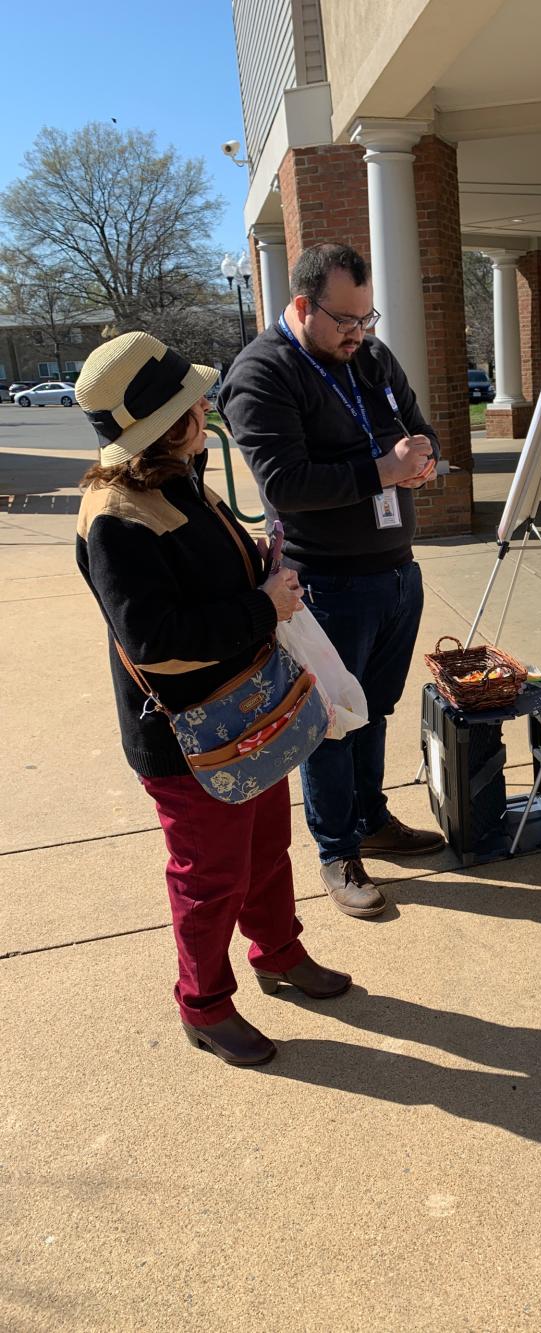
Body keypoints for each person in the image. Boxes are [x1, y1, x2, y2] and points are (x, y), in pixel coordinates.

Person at [75, 331, 353, 1067]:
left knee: (265, 849)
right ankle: (203, 1005)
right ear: (168, 422)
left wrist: (255, 571)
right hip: (188, 737)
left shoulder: (173, 475)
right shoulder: (117, 514)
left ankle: (279, 953)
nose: (208, 407)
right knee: (209, 878)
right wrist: (263, 605)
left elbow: (195, 584)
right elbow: (154, 640)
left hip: (244, 711)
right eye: (194, 401)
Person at [219, 243, 445, 920]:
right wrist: (383, 471)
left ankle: (370, 818)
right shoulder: (262, 373)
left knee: (373, 708)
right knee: (330, 723)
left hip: (394, 572)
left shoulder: (370, 356)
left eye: (366, 318)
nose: (358, 333)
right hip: (325, 583)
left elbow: (416, 424)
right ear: (302, 305)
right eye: (345, 320)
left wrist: (422, 455)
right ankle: (337, 850)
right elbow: (285, 482)